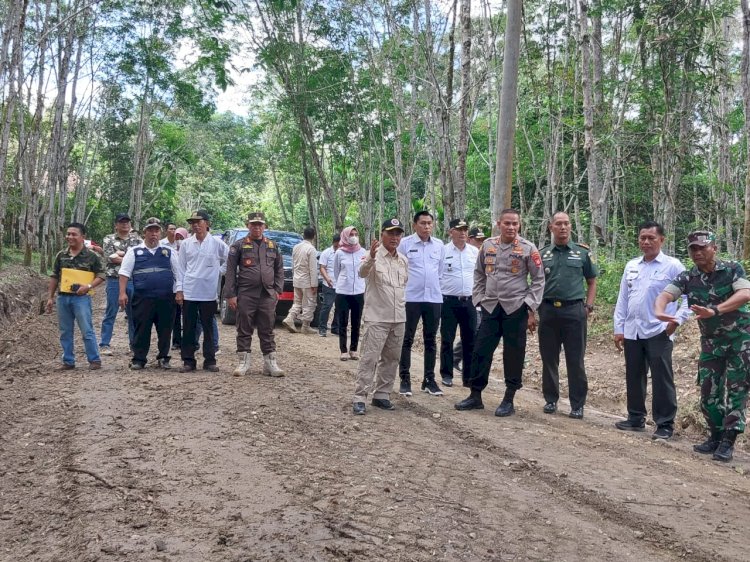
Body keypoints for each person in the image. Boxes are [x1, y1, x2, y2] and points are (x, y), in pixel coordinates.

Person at [655, 230, 750, 462]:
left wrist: (715, 310)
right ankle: (715, 436)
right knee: (708, 393)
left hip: (741, 341)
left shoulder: (732, 268)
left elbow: (745, 293)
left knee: (736, 393)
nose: (697, 252)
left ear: (714, 248)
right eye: (693, 249)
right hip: (711, 344)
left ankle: (728, 441)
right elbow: (666, 294)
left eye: (702, 248)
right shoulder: (689, 277)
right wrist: (659, 310)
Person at [455, 209, 545, 416]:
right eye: (507, 223)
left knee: (513, 354)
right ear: (499, 224)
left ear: (519, 225)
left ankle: (508, 399)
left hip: (515, 308)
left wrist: (529, 305)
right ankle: (475, 395)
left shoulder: (528, 248)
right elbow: (478, 273)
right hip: (490, 307)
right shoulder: (488, 245)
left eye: (515, 224)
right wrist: (478, 297)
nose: (511, 227)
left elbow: (539, 280)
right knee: (480, 350)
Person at [613, 221, 689, 439]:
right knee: (634, 374)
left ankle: (664, 423)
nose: (646, 242)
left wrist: (676, 321)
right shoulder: (632, 266)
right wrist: (619, 327)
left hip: (659, 330)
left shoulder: (673, 266)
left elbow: (688, 297)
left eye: (651, 238)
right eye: (642, 238)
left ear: (662, 240)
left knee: (661, 377)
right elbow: (623, 299)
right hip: (632, 330)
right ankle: (635, 417)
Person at [537, 212, 598, 419]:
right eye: (558, 224)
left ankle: (577, 404)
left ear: (570, 227)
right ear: (550, 227)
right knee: (549, 358)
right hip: (547, 311)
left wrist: (588, 306)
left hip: (574, 311)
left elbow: (591, 281)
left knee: (575, 360)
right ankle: (551, 400)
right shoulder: (542, 254)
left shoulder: (582, 254)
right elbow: (535, 283)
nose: (563, 227)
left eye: (566, 224)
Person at [352, 219, 409, 415]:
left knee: (392, 359)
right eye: (390, 233)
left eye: (398, 234)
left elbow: (403, 286)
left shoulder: (403, 260)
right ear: (382, 234)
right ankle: (360, 398)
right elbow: (361, 273)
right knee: (369, 358)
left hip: (398, 317)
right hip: (377, 317)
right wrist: (371, 258)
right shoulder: (372, 256)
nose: (395, 237)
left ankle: (382, 395)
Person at [225, 211, 285, 377]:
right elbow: (230, 271)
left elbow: (279, 269)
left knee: (267, 328)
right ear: (248, 226)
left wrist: (277, 290)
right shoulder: (238, 246)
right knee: (244, 327)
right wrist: (231, 294)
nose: (257, 228)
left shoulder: (273, 246)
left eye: (260, 225)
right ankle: (243, 362)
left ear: (264, 226)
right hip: (246, 294)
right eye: (253, 225)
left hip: (267, 294)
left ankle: (270, 364)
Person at [118, 218, 180, 370]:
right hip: (142, 298)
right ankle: (139, 359)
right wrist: (122, 293)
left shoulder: (169, 252)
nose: (153, 234)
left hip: (166, 298)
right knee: (142, 328)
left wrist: (179, 292)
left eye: (156, 231)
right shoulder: (134, 252)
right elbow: (124, 273)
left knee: (165, 329)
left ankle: (164, 357)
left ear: (160, 233)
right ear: (144, 233)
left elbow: (178, 273)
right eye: (150, 231)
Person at [398, 210, 446, 397]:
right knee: (406, 339)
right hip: (411, 298)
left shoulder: (439, 246)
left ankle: (429, 380)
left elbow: (440, 271)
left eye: (429, 223)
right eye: (423, 223)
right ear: (414, 225)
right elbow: (400, 269)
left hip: (433, 298)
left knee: (431, 340)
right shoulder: (405, 244)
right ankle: (405, 378)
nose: (426, 226)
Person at [46, 222, 106, 370]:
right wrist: (50, 297)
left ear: (82, 237)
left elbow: (102, 275)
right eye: (68, 234)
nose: (70, 237)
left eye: (74, 234)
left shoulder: (92, 256)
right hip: (63, 298)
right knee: (65, 331)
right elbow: (54, 276)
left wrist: (89, 286)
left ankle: (94, 360)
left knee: (86, 329)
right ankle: (68, 361)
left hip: (81, 298)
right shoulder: (61, 255)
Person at [175, 210, 228, 373]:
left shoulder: (217, 243)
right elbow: (180, 268)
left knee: (209, 327)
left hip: (208, 293)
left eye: (199, 222)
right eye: (193, 222)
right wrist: (179, 290)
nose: (196, 225)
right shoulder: (186, 244)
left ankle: (210, 360)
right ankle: (188, 361)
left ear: (207, 223)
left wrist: (219, 271)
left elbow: (230, 259)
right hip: (190, 291)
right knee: (189, 327)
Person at [439, 219, 479, 387]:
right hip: (448, 301)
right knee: (447, 339)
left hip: (470, 301)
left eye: (465, 229)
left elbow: (480, 276)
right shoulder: (443, 251)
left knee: (470, 339)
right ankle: (446, 374)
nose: (463, 232)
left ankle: (468, 376)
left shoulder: (474, 252)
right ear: (450, 232)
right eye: (459, 229)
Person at [99, 213, 142, 355]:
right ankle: (105, 344)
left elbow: (140, 257)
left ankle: (134, 344)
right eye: (122, 222)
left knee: (133, 313)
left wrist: (120, 255)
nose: (125, 224)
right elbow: (110, 257)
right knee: (111, 311)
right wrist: (128, 256)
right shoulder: (108, 238)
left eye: (127, 222)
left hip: (132, 280)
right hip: (114, 280)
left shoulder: (137, 239)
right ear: (116, 225)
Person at [454, 226, 487, 371]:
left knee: (476, 332)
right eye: (477, 240)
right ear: (469, 239)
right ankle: (456, 359)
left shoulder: (484, 255)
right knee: (473, 333)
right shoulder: (463, 254)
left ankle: (461, 360)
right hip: (467, 300)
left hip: (482, 300)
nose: (480, 243)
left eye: (482, 240)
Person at [334, 226, 366, 361]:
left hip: (358, 291)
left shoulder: (363, 251)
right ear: (345, 236)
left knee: (356, 322)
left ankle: (353, 349)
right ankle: (343, 350)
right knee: (343, 322)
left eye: (355, 234)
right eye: (351, 234)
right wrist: (343, 282)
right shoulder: (339, 253)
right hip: (343, 292)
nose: (353, 236)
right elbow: (336, 272)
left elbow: (365, 270)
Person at [282, 226, 318, 335]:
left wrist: (294, 277)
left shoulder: (296, 247)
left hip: (297, 279)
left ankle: (290, 318)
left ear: (303, 235)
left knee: (297, 302)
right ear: (314, 236)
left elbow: (293, 264)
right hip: (307, 281)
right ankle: (305, 326)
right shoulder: (311, 249)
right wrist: (314, 284)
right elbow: (313, 268)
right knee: (309, 303)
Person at [318, 234, 341, 337]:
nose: (338, 248)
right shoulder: (326, 253)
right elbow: (322, 267)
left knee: (340, 307)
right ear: (333, 243)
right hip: (329, 284)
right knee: (327, 306)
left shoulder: (344, 253)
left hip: (341, 285)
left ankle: (335, 328)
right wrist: (327, 279)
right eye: (336, 246)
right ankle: (322, 328)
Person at [170, 227, 189, 350]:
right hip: (174, 287)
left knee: (188, 316)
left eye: (181, 237)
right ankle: (176, 341)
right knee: (175, 315)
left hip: (189, 286)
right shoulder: (169, 249)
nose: (179, 240)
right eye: (177, 237)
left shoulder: (189, 247)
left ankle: (188, 341)